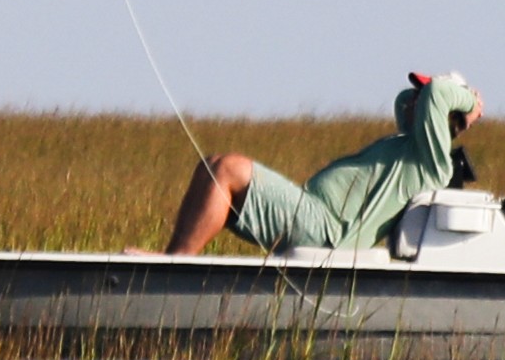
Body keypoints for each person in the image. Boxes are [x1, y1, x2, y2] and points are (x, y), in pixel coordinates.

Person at [167, 73, 486, 257]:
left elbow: (434, 95)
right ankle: (172, 262)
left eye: (423, 97)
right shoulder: (409, 143)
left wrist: (468, 104)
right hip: (317, 217)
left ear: (447, 115)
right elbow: (405, 101)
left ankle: (176, 264)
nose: (415, 99)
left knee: (227, 168)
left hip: (330, 232)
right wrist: (430, 97)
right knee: (211, 167)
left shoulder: (432, 161)